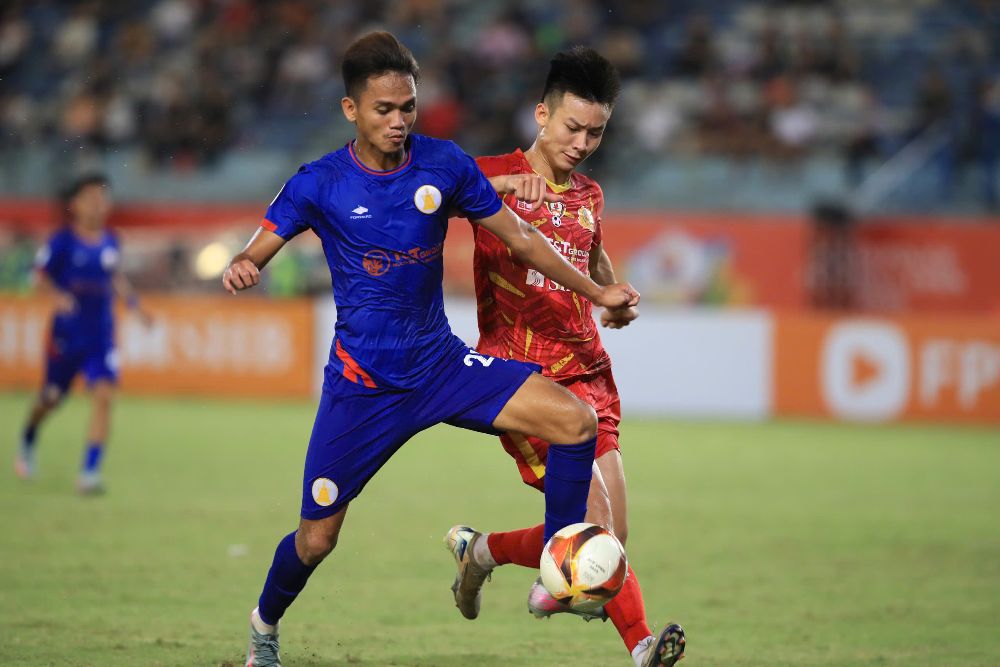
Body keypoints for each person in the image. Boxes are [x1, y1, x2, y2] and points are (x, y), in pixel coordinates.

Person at [223, 32, 639, 667]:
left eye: (408, 107)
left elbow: (523, 239)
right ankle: (264, 625)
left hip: (441, 365)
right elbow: (259, 245)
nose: (399, 121)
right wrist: (245, 264)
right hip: (363, 385)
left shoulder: (441, 164)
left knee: (576, 422)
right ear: (351, 110)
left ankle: (561, 566)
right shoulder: (318, 182)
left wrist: (597, 290)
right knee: (316, 540)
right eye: (384, 109)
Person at [443, 47, 685, 667]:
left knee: (613, 537)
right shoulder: (487, 174)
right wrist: (493, 188)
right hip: (524, 379)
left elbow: (592, 256)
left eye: (595, 133)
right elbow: (424, 201)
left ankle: (482, 551)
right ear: (541, 114)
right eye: (572, 128)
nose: (581, 144)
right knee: (592, 531)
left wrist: (614, 295)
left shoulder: (589, 194)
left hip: (590, 371)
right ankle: (642, 649)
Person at [15, 174, 151, 494]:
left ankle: (89, 472)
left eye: (102, 197)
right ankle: (28, 437)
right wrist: (58, 297)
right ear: (74, 204)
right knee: (51, 398)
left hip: (101, 335)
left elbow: (114, 277)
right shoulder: (61, 242)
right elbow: (38, 276)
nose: (97, 204)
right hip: (67, 335)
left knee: (104, 394)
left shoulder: (111, 241)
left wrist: (134, 305)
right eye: (90, 197)